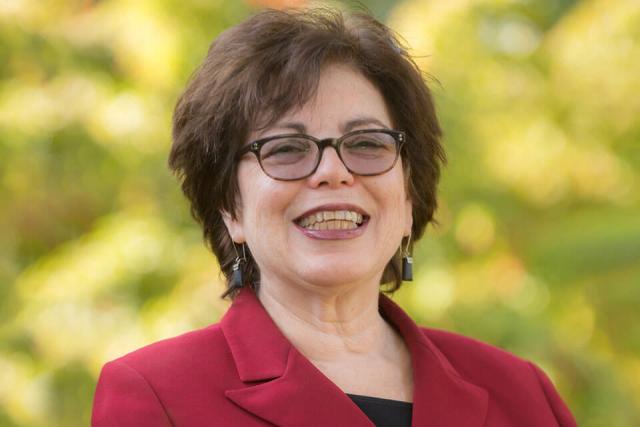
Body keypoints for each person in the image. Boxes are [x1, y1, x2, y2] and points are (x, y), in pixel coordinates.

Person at [92, 7, 578, 427]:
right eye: (285, 149)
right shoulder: (156, 395)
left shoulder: (523, 394)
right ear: (230, 209)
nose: (333, 171)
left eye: (366, 143)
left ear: (408, 199)